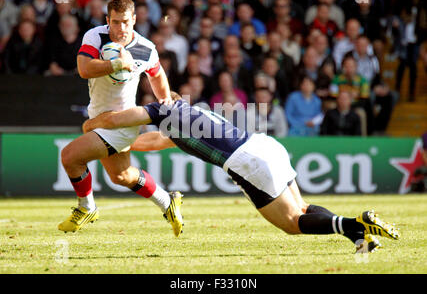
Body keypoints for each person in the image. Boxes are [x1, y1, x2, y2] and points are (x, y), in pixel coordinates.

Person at [82, 91, 400, 253]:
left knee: (292, 224)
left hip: (247, 162)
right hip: (265, 145)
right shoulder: (189, 116)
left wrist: (93, 126)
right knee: (302, 209)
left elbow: (115, 121)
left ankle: (356, 223)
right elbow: (152, 142)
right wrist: (126, 145)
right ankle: (358, 234)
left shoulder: (164, 110)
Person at [57, 0, 183, 237]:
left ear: (134, 20)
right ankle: (168, 202)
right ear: (107, 20)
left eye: (125, 21)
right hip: (99, 114)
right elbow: (83, 69)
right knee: (121, 175)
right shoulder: (95, 36)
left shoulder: (146, 48)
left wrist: (165, 100)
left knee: (70, 157)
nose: (121, 28)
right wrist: (115, 65)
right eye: (115, 22)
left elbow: (156, 74)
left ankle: (87, 208)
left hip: (122, 121)